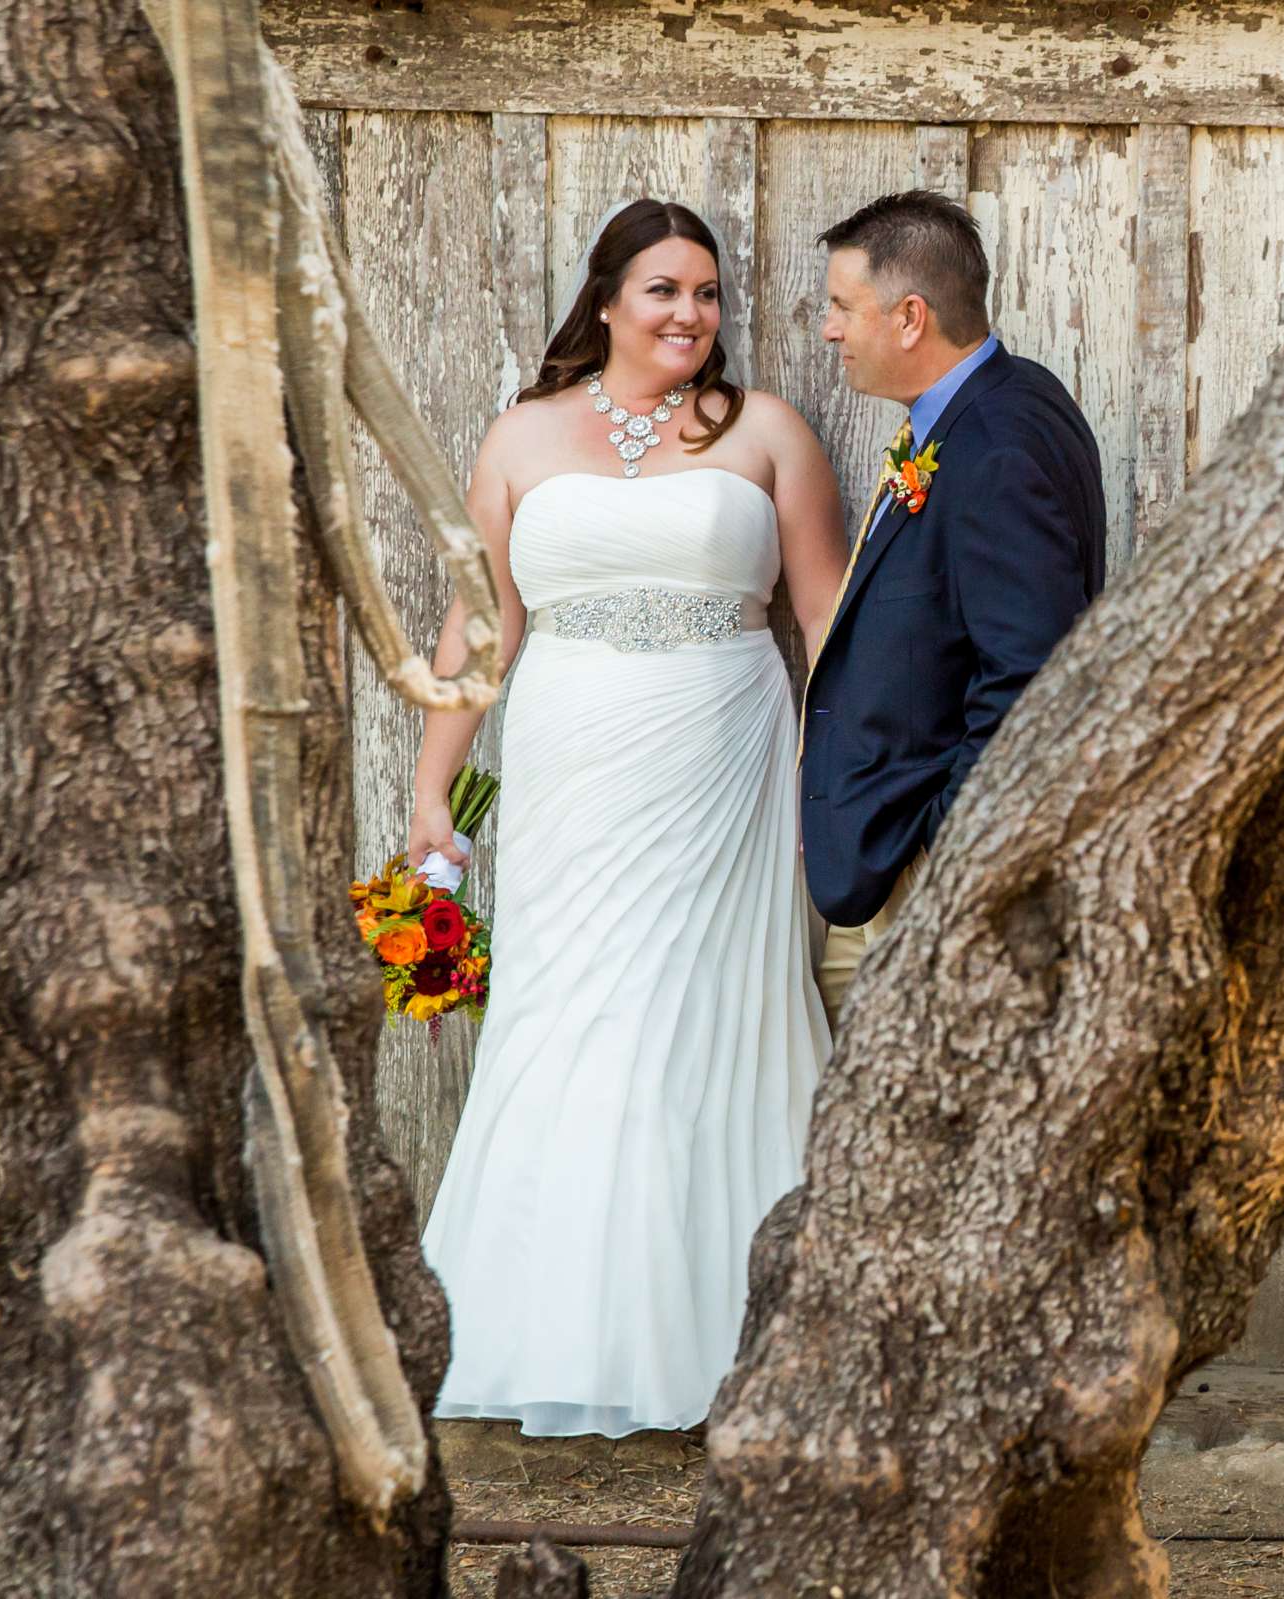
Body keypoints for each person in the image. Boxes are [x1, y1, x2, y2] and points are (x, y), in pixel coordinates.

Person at [406, 199, 849, 1436]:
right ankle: (550, 1326)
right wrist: (434, 786)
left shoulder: (766, 432)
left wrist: (835, 791)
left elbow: (831, 628)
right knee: (573, 1022)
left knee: (712, 1020)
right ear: (606, 301)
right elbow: (481, 625)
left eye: (707, 294)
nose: (689, 316)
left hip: (727, 761)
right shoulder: (521, 439)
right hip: (573, 763)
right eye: (663, 291)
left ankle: (741, 1341)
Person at [802, 190, 1108, 1016]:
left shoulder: (997, 446)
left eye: (842, 307)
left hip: (930, 882)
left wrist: (943, 849)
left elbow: (1029, 679)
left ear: (909, 317)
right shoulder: (990, 408)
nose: (830, 328)